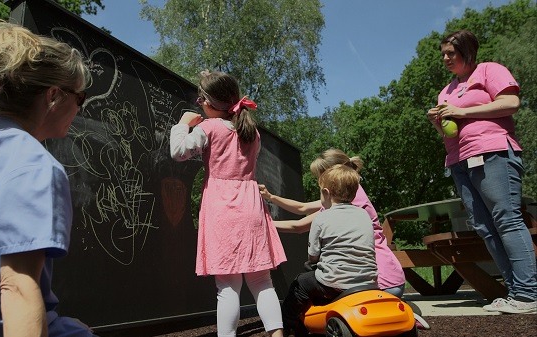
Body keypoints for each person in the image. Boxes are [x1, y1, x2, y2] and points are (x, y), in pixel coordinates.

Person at [0, 21, 95, 336]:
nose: (80, 108)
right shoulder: (32, 163)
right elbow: (17, 288)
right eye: (80, 98)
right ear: (54, 96)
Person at [426, 29, 537, 314]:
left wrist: (460, 113)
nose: (446, 58)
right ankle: (515, 293)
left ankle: (528, 293)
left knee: (506, 219)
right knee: (484, 227)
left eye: (451, 52)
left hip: (493, 152)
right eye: (443, 55)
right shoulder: (446, 90)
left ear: (468, 50)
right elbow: (448, 132)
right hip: (458, 161)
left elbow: (511, 103)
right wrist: (439, 121)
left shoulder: (490, 70)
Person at [169, 70, 286, 337]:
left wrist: (182, 124)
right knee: (262, 280)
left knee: (228, 286)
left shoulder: (208, 128)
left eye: (201, 101)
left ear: (209, 104)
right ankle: (277, 334)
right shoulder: (251, 132)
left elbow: (178, 152)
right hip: (251, 205)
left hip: (223, 208)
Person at [259, 148, 430, 329]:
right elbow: (302, 208)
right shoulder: (351, 194)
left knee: (307, 284)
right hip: (389, 276)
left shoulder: (338, 206)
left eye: (320, 177)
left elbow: (299, 226)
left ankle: (291, 327)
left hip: (375, 281)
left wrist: (263, 224)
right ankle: (403, 310)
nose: (319, 183)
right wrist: (271, 197)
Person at [281, 164, 378, 336]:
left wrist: (315, 260)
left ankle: (288, 325)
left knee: (300, 283)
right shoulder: (364, 215)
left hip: (335, 282)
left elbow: (312, 256)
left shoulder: (322, 217)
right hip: (368, 281)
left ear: (326, 193)